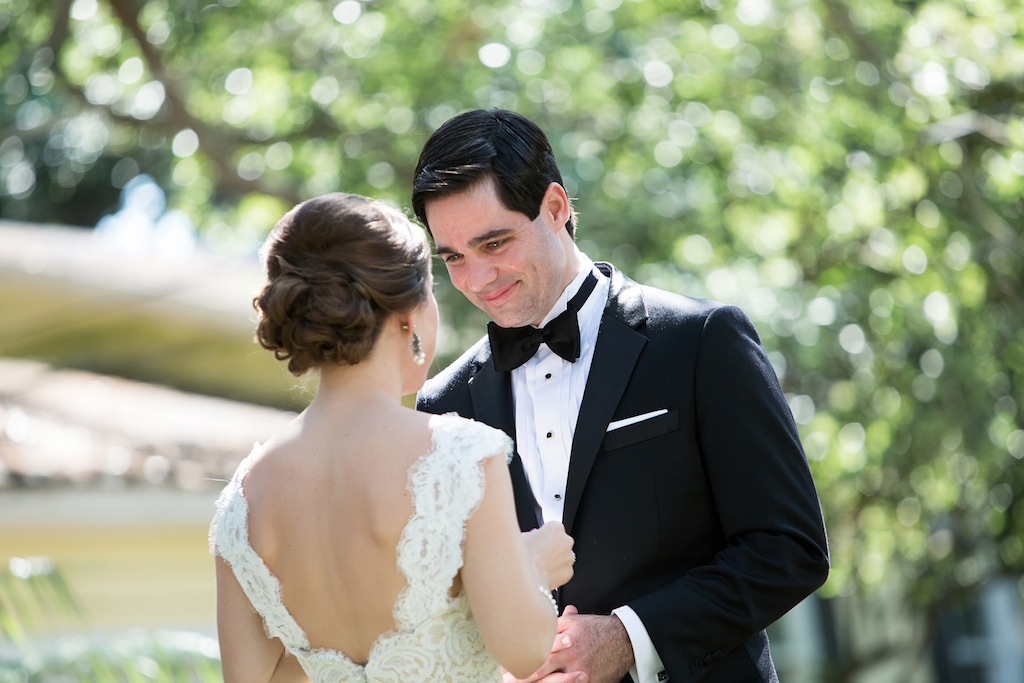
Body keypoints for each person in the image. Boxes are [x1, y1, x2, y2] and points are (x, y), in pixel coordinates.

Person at [412, 109, 830, 683]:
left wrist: (631, 638)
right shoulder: (441, 407)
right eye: (454, 257)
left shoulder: (700, 343)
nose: (477, 278)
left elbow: (790, 548)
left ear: (555, 208)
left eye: (495, 242)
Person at [208, 192, 577, 683]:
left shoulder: (244, 498)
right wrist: (532, 566)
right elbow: (525, 649)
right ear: (410, 313)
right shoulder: (458, 456)